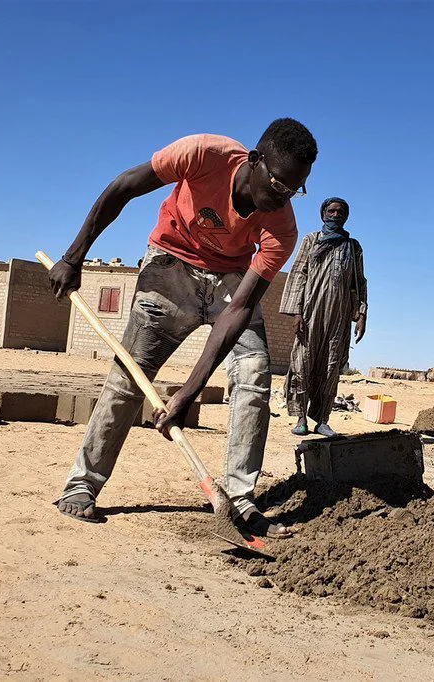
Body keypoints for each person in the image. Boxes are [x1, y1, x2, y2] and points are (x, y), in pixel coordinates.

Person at [47, 119, 317, 538]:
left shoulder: (282, 228)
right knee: (128, 377)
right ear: (255, 160)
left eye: (294, 190)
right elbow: (124, 187)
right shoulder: (204, 153)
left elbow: (240, 307)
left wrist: (189, 392)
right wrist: (74, 256)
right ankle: (82, 485)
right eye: (279, 184)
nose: (283, 197)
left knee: (254, 373)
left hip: (230, 279)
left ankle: (241, 500)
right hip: (170, 265)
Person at [280, 197, 368, 437]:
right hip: (310, 313)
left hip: (338, 317)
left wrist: (361, 314)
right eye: (331, 210)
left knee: (330, 368)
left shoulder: (353, 247)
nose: (336, 214)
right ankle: (300, 419)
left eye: (341, 211)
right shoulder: (311, 240)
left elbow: (358, 283)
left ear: (346, 216)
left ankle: (322, 420)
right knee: (302, 363)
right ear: (323, 214)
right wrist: (296, 311)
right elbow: (298, 274)